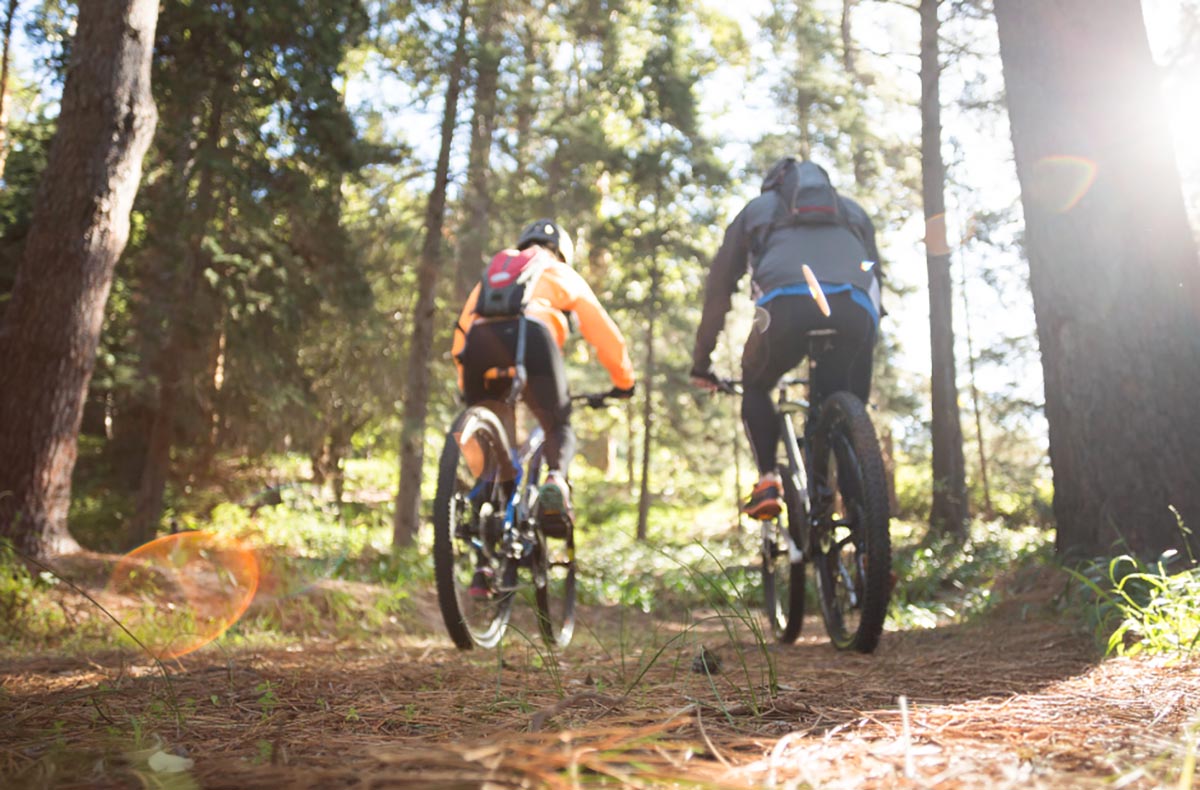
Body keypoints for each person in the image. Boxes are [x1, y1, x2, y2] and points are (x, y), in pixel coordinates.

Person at [690, 158, 883, 520]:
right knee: (846, 409)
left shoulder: (757, 211)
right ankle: (869, 535)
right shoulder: (852, 211)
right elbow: (874, 271)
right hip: (854, 309)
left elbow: (718, 289)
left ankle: (767, 481)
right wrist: (870, 325)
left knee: (757, 384)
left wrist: (702, 360)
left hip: (783, 309)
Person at [452, 219, 635, 590]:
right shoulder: (555, 268)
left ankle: (484, 561)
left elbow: (463, 328)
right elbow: (599, 326)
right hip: (533, 338)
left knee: (493, 457)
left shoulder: (498, 268)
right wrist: (624, 381)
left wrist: (468, 390)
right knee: (558, 424)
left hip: (480, 345)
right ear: (562, 251)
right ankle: (554, 480)